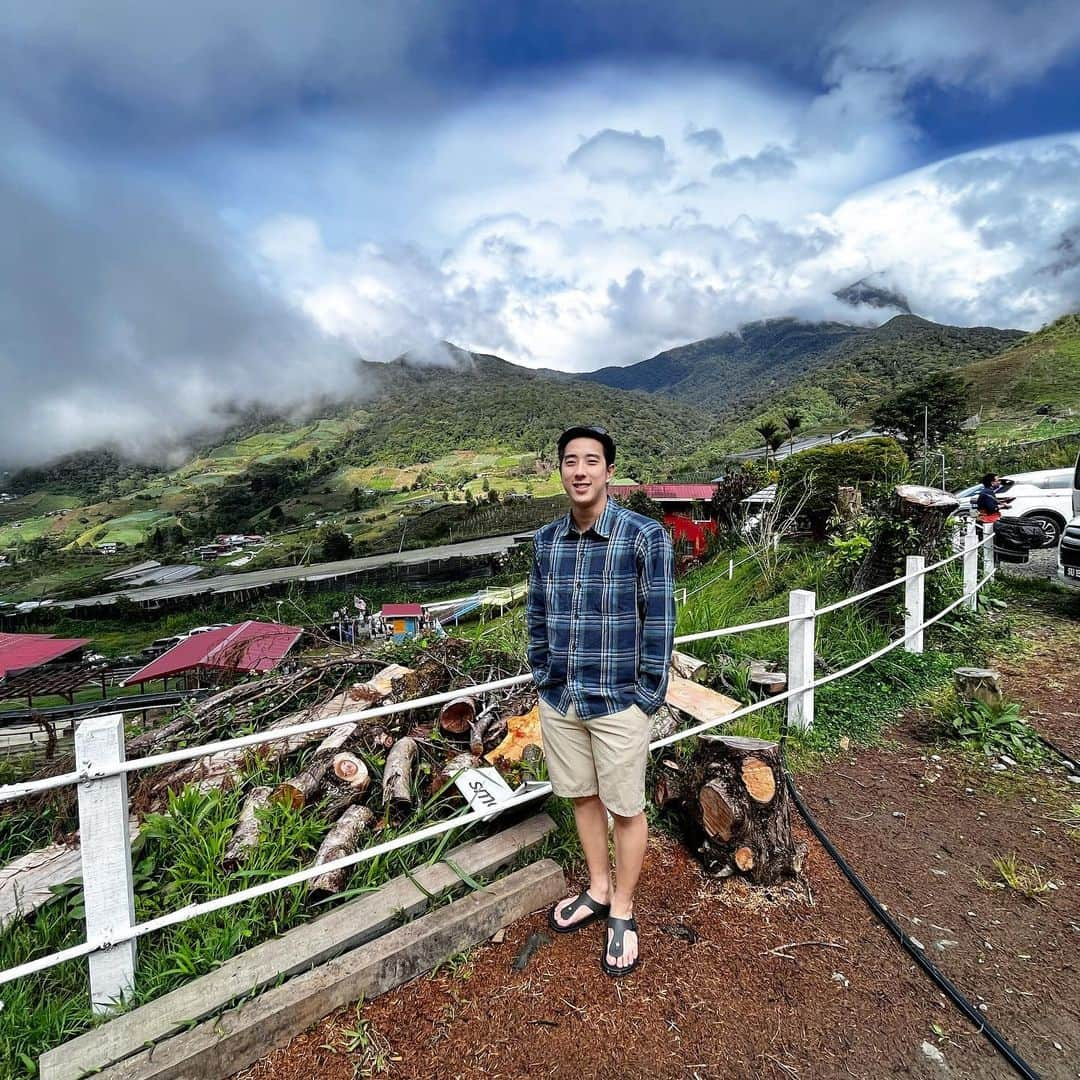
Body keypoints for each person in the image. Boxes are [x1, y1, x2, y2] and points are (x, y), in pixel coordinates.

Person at [526, 424, 675, 977]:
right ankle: (596, 888)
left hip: (619, 701)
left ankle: (623, 910)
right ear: (561, 470)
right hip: (561, 696)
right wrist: (542, 674)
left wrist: (646, 698)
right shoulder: (546, 542)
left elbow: (660, 622)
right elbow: (536, 616)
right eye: (570, 461)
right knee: (583, 797)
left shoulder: (644, 537)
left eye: (591, 460)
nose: (580, 470)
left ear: (609, 471)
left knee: (626, 807)